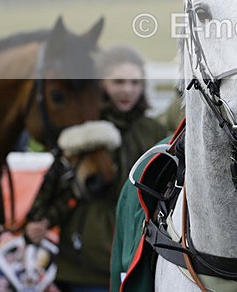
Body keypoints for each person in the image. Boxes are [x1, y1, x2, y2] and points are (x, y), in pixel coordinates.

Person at [25, 44, 169, 291]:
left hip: (139, 258)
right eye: (119, 82)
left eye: (135, 83)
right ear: (101, 84)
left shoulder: (153, 131)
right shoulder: (84, 129)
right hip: (84, 266)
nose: (127, 90)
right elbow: (62, 188)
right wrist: (41, 220)